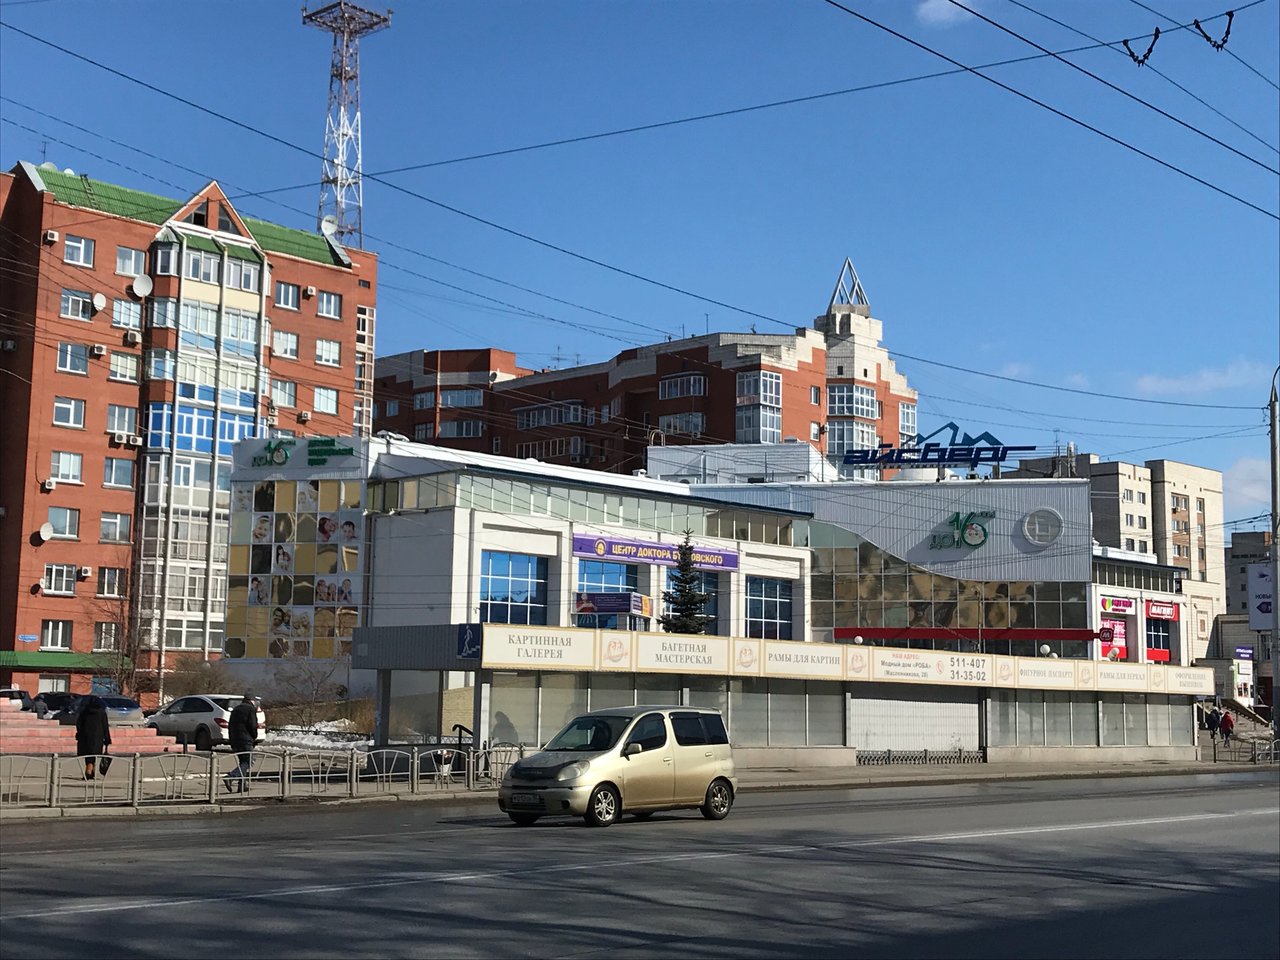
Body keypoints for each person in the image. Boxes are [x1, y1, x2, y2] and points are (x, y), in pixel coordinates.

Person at [225, 695, 259, 794]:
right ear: (251, 701)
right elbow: (252, 725)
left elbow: (230, 725)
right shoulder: (250, 709)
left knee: (243, 762)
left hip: (235, 739)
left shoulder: (236, 709)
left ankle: (242, 785)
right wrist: (254, 736)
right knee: (248, 761)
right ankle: (230, 777)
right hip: (246, 739)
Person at [75, 696, 111, 780]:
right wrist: (107, 738)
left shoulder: (84, 712)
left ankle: (90, 771)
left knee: (88, 754)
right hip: (98, 737)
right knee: (94, 754)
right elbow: (105, 726)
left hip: (85, 737)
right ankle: (89, 771)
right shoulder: (101, 712)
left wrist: (79, 734)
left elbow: (79, 724)